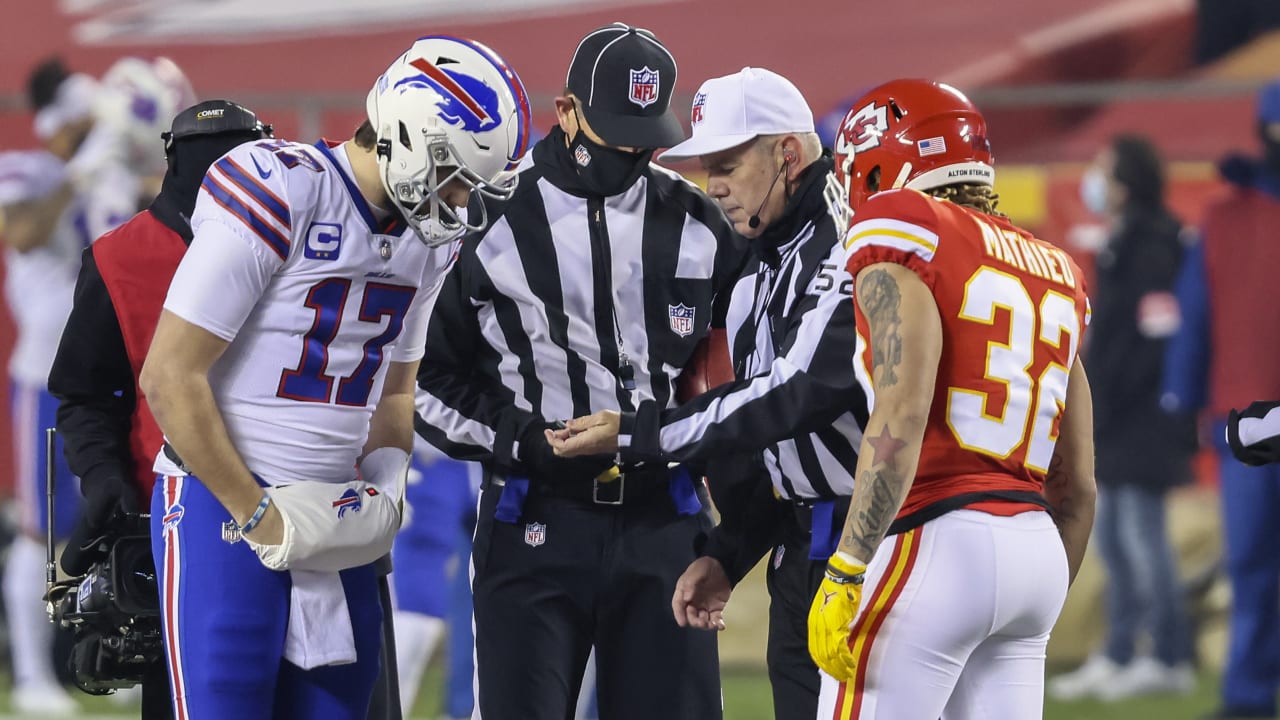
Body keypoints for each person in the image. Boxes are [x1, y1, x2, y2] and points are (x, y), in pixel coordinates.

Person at [136, 36, 531, 720]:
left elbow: (396, 389)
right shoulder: (280, 184)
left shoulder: (424, 244)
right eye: (459, 175)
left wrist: (384, 484)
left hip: (332, 518)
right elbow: (170, 375)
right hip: (220, 507)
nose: (464, 200)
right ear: (412, 137)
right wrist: (256, 513)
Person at [413, 22, 744, 720]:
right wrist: (520, 438)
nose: (629, 154)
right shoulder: (485, 218)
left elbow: (740, 376)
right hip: (533, 514)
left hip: (663, 516)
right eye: (613, 134)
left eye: (643, 139)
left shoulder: (699, 222)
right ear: (566, 112)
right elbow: (424, 379)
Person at [547, 66, 865, 720]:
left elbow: (800, 392)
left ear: (788, 153)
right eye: (705, 166)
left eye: (727, 163)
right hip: (804, 548)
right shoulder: (755, 267)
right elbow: (775, 449)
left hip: (878, 542)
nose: (712, 185)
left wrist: (639, 432)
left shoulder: (853, 243)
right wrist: (730, 552)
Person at [806, 79, 1096, 719]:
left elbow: (902, 410)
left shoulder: (907, 224)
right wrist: (1028, 593)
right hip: (1035, 553)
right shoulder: (1058, 268)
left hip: (937, 536)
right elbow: (1076, 484)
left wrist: (848, 564)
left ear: (883, 162)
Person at [48, 99, 273, 719]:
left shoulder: (312, 235)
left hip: (299, 503)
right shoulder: (120, 259)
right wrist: (106, 483)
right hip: (179, 522)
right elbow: (87, 393)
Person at [1046, 134, 1196, 702]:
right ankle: (1119, 651)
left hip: (1142, 419)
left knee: (1142, 540)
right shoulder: (1126, 239)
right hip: (1120, 417)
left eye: (1104, 171)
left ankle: (1168, 656)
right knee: (1114, 539)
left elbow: (1153, 339)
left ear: (1126, 182)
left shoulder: (1154, 242)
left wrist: (1109, 398)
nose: (1094, 181)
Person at [1163, 78, 1280, 720]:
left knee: (1255, 565)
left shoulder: (1227, 218)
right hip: (1249, 421)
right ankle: (1248, 696)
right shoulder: (1226, 220)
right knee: (1253, 564)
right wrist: (1181, 402)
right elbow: (1196, 316)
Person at [0, 56, 99, 717]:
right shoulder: (35, 172)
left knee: (107, 523)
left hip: (105, 376)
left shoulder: (106, 173)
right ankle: (32, 676)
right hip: (46, 378)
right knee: (40, 532)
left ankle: (102, 664)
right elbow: (23, 230)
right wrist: (78, 176)